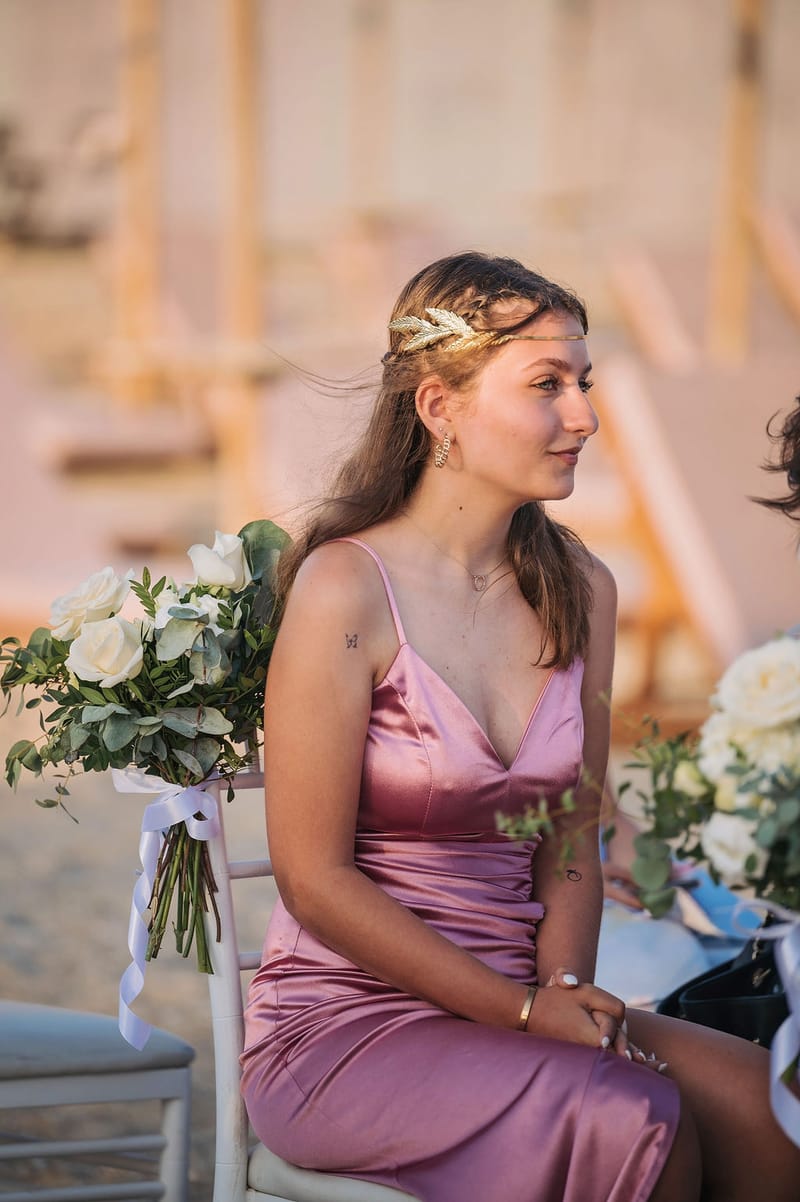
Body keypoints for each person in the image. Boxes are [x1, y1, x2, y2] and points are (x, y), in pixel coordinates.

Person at [241, 252, 800, 1202]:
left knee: (772, 1111)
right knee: (634, 1118)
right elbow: (313, 876)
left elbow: (574, 825)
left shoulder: (582, 588)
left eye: (584, 383)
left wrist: (563, 991)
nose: (583, 415)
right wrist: (524, 1009)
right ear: (438, 408)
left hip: (531, 997)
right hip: (350, 1024)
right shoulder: (345, 587)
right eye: (548, 385)